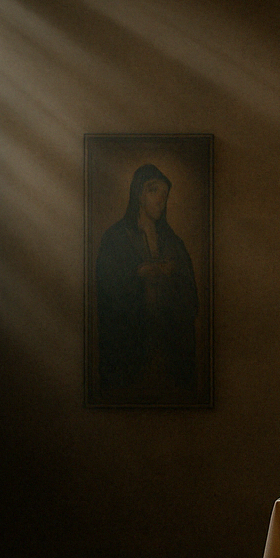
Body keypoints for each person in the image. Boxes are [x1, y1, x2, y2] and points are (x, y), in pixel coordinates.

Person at [95, 163, 199, 399]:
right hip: (131, 345)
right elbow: (106, 287)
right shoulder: (115, 238)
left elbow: (191, 297)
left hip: (166, 347)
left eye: (165, 194)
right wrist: (137, 275)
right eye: (154, 191)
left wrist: (170, 275)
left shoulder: (173, 242)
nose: (161, 199)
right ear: (138, 194)